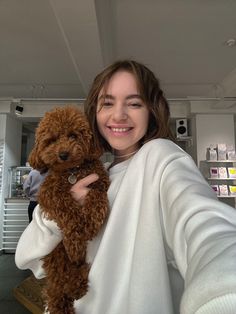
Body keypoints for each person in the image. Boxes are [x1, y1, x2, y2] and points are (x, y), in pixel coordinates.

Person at [15, 60, 236, 314]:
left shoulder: (160, 157)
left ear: (152, 110)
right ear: (94, 112)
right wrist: (63, 210)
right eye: (107, 103)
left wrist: (224, 289)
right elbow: (27, 257)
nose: (119, 115)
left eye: (134, 103)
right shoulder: (99, 175)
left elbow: (204, 223)